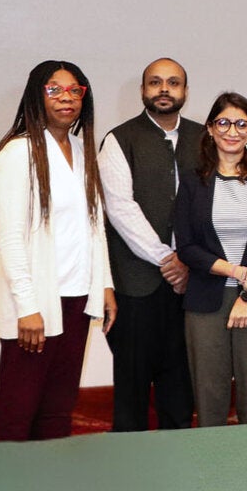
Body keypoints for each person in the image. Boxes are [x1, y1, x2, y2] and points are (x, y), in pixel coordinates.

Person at [0, 60, 116, 441]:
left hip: (78, 298)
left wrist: (105, 284)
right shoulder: (18, 152)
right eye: (54, 89)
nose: (66, 97)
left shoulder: (80, 148)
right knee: (18, 412)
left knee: (59, 409)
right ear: (36, 96)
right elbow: (10, 238)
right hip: (36, 305)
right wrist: (27, 307)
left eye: (75, 90)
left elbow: (95, 225)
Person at [173, 93, 247, 426]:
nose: (232, 131)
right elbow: (188, 247)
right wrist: (238, 273)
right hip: (206, 300)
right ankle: (214, 472)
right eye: (223, 122)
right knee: (210, 399)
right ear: (210, 129)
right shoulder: (194, 182)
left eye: (242, 123)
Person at [98, 57, 199, 431]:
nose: (164, 89)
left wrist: (188, 261)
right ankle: (131, 477)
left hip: (190, 287)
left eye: (173, 83)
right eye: (155, 82)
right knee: (132, 392)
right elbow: (121, 209)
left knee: (180, 389)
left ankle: (176, 476)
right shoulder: (119, 139)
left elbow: (211, 206)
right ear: (143, 91)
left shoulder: (204, 138)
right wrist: (167, 259)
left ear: (185, 92)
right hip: (136, 286)